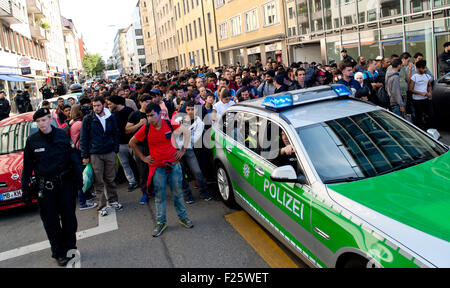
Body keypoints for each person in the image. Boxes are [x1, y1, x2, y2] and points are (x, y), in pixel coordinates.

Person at [21, 108, 83, 266]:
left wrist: (79, 179)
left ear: (50, 119)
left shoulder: (62, 135)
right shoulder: (32, 141)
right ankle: (58, 252)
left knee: (69, 220)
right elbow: (27, 167)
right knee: (51, 222)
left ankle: (70, 248)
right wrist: (25, 189)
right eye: (38, 121)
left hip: (65, 184)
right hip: (46, 188)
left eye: (44, 120)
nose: (41, 124)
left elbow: (74, 158)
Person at [129, 103, 194, 237]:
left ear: (160, 114)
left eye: (152, 115)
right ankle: (161, 222)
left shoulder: (169, 123)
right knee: (159, 196)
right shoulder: (146, 128)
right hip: (157, 168)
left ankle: (183, 218)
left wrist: (182, 150)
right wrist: (143, 158)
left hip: (174, 165)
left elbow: (187, 132)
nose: (149, 118)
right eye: (147, 116)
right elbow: (132, 143)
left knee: (178, 193)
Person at [80, 96, 122, 217]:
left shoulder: (111, 117)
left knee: (111, 178)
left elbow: (115, 133)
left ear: (103, 105)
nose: (96, 108)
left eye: (98, 105)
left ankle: (113, 201)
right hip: (95, 154)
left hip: (109, 152)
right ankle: (101, 206)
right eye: (94, 106)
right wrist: (85, 155)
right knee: (98, 181)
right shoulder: (88, 119)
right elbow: (84, 138)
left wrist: (115, 149)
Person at [175, 101, 213, 202]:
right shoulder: (179, 119)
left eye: (192, 109)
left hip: (188, 149)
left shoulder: (199, 122)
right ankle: (187, 195)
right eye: (188, 109)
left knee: (197, 172)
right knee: (181, 174)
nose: (190, 111)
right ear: (185, 110)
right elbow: (174, 134)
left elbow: (195, 139)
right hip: (177, 150)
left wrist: (184, 133)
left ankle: (203, 192)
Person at [69, 104, 98, 211]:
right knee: (84, 177)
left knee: (85, 175)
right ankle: (83, 202)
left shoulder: (73, 123)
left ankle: (88, 195)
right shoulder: (79, 124)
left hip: (77, 152)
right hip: (81, 153)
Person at [106, 95, 138, 192]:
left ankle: (143, 180)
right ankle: (132, 182)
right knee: (125, 164)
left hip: (132, 142)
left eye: (110, 104)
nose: (109, 106)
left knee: (138, 162)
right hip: (120, 144)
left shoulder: (129, 111)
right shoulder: (112, 115)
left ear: (116, 103)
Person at [126, 94, 153, 204]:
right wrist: (139, 124)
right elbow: (127, 130)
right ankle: (145, 193)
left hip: (153, 145)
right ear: (140, 102)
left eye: (149, 101)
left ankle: (153, 190)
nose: (148, 103)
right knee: (143, 172)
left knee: (155, 170)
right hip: (140, 146)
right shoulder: (135, 114)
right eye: (146, 101)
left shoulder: (153, 113)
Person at [408, 60, 435, 130]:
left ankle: (430, 129)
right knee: (419, 116)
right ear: (418, 68)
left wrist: (430, 93)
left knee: (431, 115)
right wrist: (420, 93)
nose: (424, 69)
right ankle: (420, 130)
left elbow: (429, 85)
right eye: (423, 68)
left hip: (426, 99)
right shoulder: (414, 77)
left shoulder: (426, 76)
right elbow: (410, 89)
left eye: (425, 68)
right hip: (417, 100)